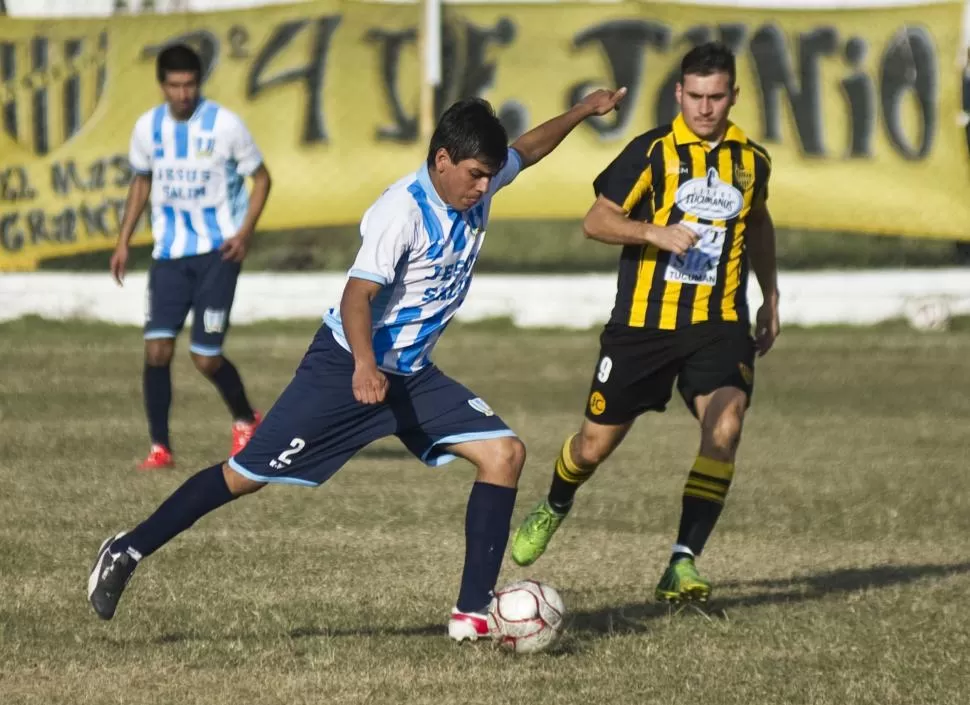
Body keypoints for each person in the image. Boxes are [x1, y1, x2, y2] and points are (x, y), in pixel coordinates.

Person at [88, 88, 627, 640]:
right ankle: (127, 550)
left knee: (505, 453)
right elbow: (356, 296)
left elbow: (527, 150)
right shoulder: (402, 212)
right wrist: (365, 366)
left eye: (490, 175)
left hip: (412, 376)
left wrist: (584, 111)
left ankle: (470, 615)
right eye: (475, 175)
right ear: (442, 161)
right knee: (244, 475)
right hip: (345, 368)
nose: (486, 186)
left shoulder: (474, 185)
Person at [509, 42, 780, 605]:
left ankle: (682, 562)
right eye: (696, 96)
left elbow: (757, 224)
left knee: (726, 427)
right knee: (591, 447)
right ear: (679, 94)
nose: (706, 108)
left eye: (717, 96)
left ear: (733, 96)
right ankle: (557, 501)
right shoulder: (651, 152)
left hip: (719, 321)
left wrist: (770, 296)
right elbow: (596, 220)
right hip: (642, 327)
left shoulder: (752, 161)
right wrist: (655, 232)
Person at [110, 43, 272, 470]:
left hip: (218, 252)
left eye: (190, 85)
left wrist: (244, 233)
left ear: (199, 84)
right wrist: (124, 240)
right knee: (157, 350)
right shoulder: (147, 129)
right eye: (175, 85)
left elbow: (261, 179)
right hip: (169, 256)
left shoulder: (226, 126)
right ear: (162, 85)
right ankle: (160, 447)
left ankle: (245, 418)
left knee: (205, 357)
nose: (183, 93)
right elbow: (141, 184)